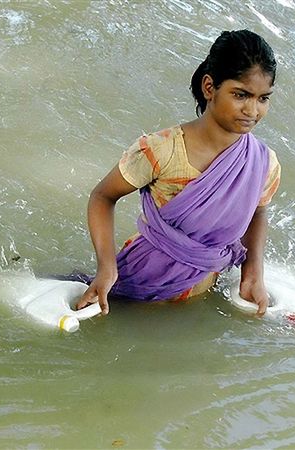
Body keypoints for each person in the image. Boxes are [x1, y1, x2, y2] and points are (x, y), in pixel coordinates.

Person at [76, 29, 281, 316]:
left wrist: (253, 273)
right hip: (138, 286)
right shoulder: (161, 150)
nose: (252, 110)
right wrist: (106, 269)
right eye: (241, 95)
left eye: (263, 98)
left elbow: (257, 212)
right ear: (210, 88)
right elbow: (102, 196)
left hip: (203, 291)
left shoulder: (262, 163)